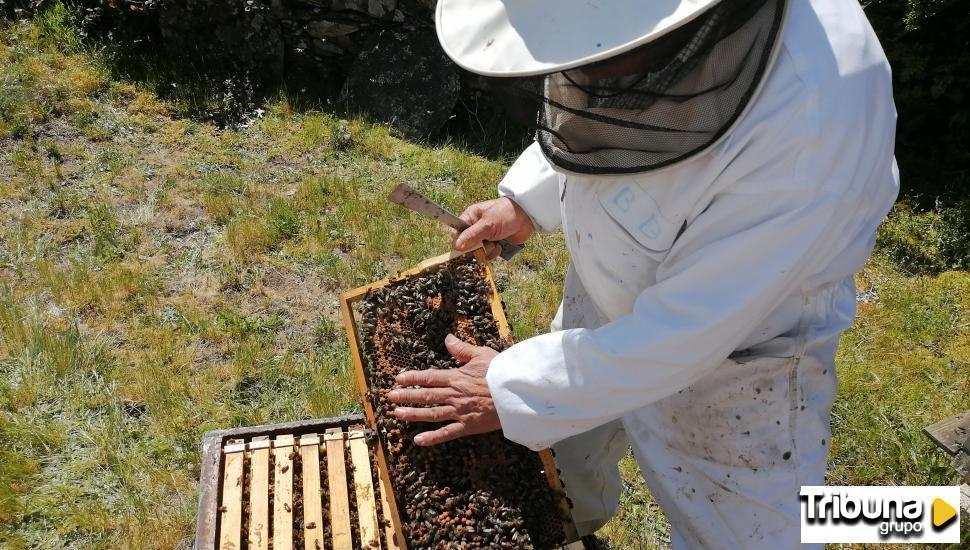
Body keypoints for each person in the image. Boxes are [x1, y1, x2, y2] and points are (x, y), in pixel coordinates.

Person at [386, 0, 899, 546]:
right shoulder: (628, 41)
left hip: (739, 366)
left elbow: (688, 332)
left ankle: (924, 515)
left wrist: (516, 390)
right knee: (567, 452)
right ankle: (566, 528)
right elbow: (601, 113)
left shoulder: (813, 116)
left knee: (754, 534)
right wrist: (530, 202)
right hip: (609, 294)